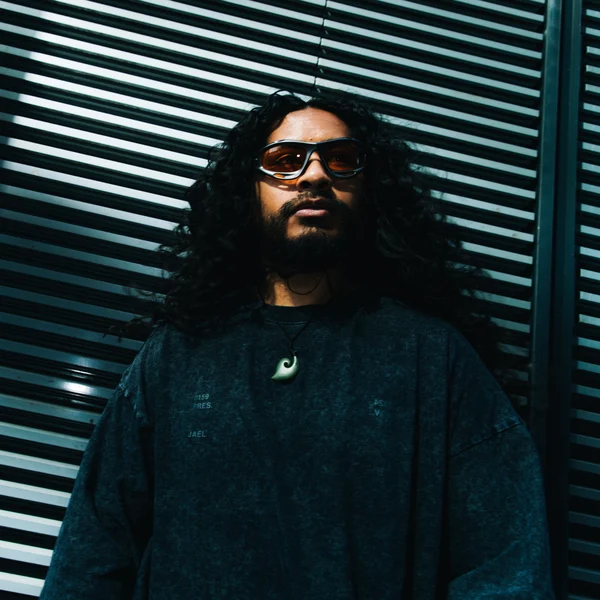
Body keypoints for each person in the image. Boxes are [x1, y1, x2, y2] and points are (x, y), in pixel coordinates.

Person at [39, 90, 555, 599]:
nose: (315, 176)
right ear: (249, 190)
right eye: (286, 160)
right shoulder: (179, 353)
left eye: (341, 159)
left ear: (370, 190)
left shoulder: (433, 357)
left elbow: (505, 565)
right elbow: (94, 548)